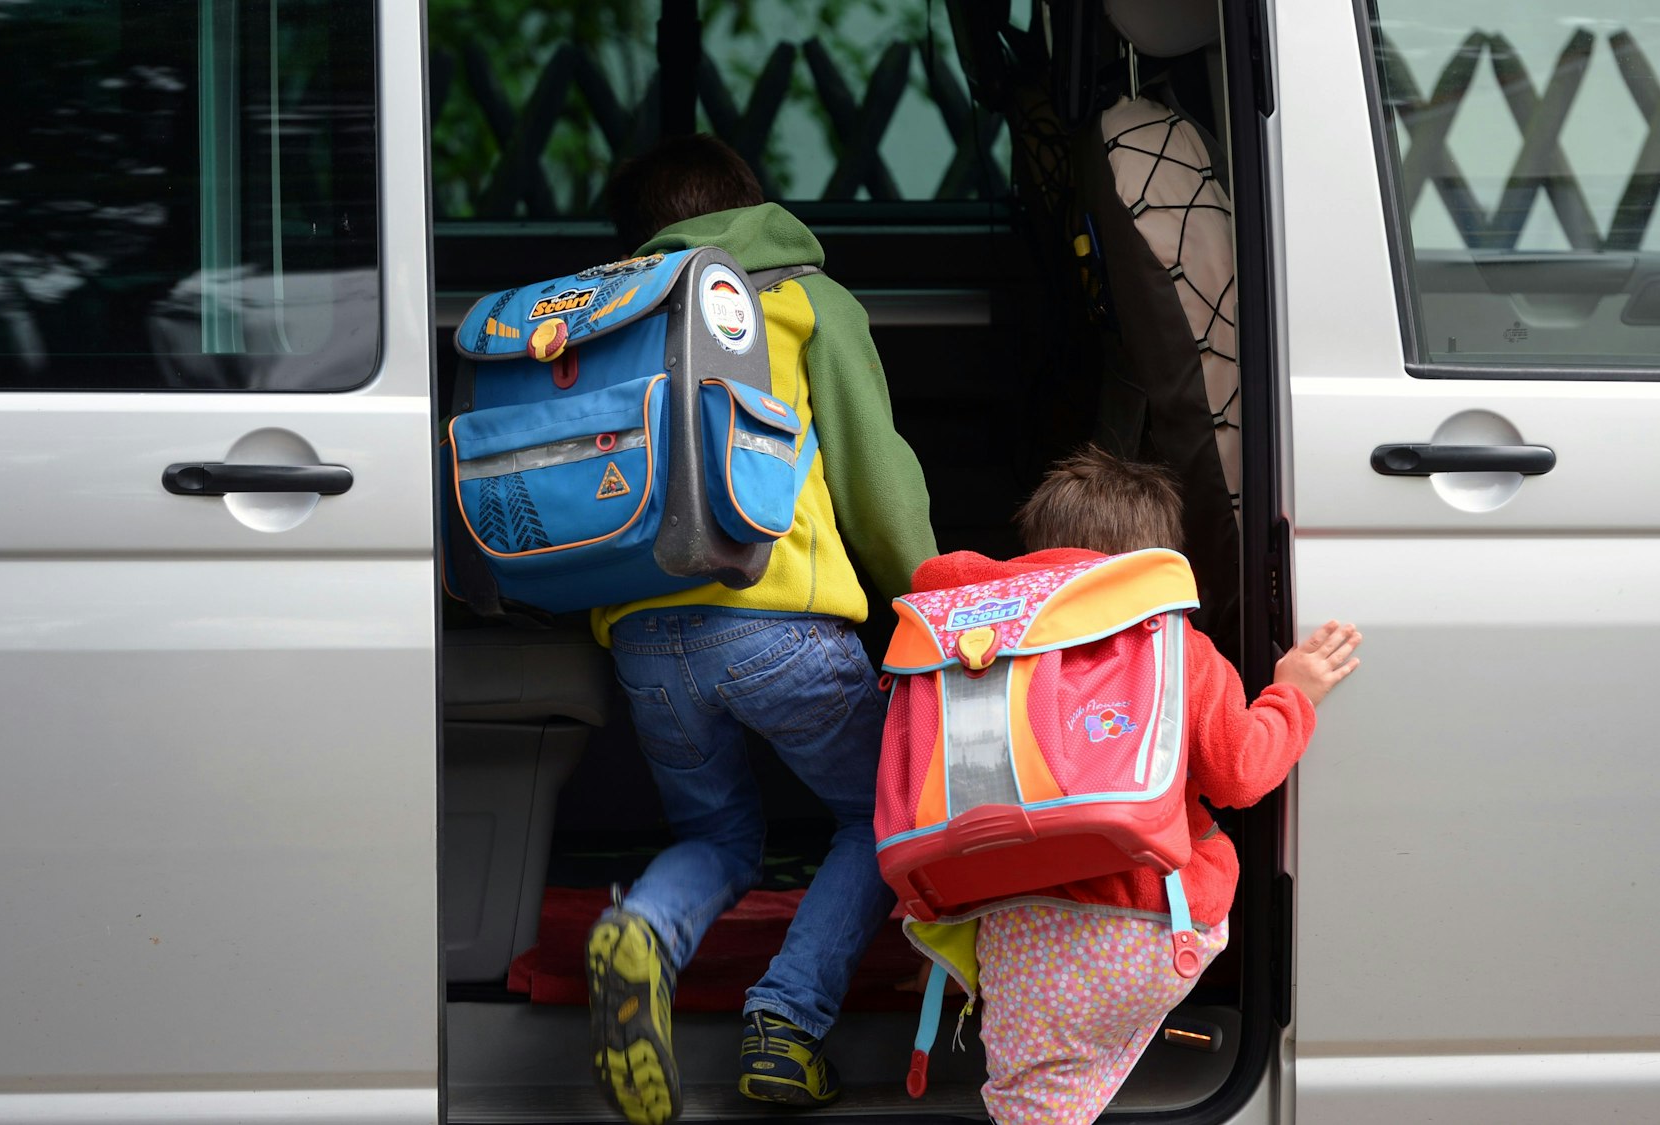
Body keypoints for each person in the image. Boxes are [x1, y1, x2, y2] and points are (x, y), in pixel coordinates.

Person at [582, 134, 938, 1124]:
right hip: (780, 624)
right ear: (751, 205)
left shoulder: (608, 313)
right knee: (888, 814)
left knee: (718, 835)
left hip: (643, 638)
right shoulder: (801, 298)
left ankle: (645, 930)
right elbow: (877, 486)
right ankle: (785, 1024)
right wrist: (936, 605)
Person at [905, 445, 1360, 1125]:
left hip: (1013, 931)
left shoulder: (976, 654)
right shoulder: (1175, 648)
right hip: (1148, 926)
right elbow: (1240, 772)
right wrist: (1291, 695)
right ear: (1154, 563)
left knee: (1033, 1107)